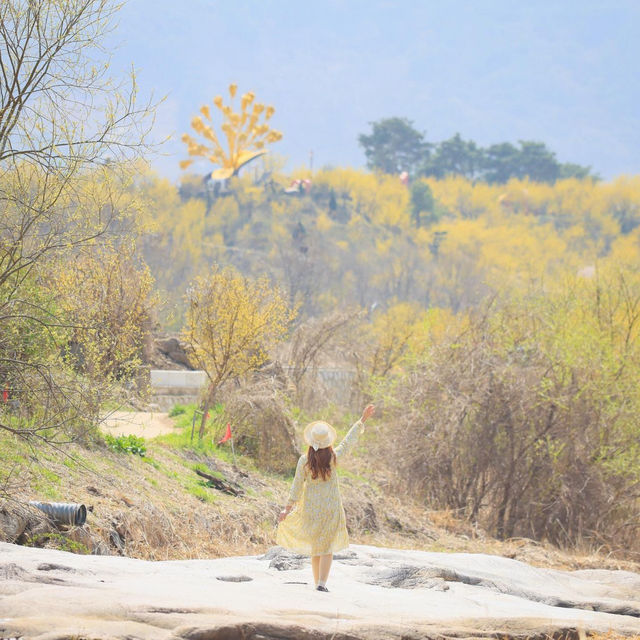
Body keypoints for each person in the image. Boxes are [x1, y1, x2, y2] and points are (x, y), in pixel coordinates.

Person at [276, 404, 375, 592]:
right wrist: (362, 420)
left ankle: (317, 583)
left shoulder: (304, 461)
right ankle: (321, 583)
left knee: (316, 547)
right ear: (328, 441)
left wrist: (286, 509)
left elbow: (296, 487)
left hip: (311, 510)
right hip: (331, 509)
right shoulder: (333, 457)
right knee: (327, 548)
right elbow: (348, 442)